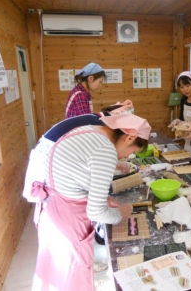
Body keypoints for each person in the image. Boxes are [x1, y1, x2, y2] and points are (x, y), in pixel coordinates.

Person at [31, 114, 151, 290]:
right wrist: (121, 213)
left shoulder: (88, 130)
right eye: (131, 152)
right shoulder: (106, 150)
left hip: (51, 208)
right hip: (68, 220)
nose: (126, 156)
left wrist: (104, 196)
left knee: (56, 271)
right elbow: (97, 213)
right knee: (72, 274)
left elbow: (79, 167)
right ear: (130, 137)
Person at [23, 100, 135, 203]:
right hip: (48, 153)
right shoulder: (101, 126)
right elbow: (94, 158)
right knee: (54, 197)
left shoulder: (99, 119)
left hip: (54, 151)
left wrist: (116, 164)